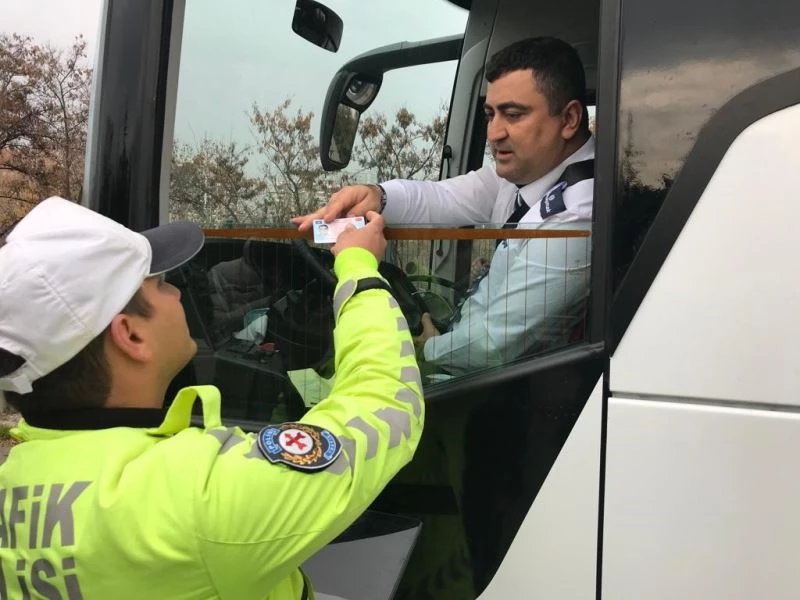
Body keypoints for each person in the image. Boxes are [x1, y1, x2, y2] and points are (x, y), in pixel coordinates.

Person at [0, 197, 424, 599]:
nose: (178, 292)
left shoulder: (13, 484)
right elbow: (385, 406)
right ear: (131, 335)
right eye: (159, 284)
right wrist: (359, 267)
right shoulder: (197, 498)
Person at [294, 37, 595, 376]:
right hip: (466, 352)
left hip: (496, 384)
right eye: (490, 114)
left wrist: (424, 348)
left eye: (513, 115)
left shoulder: (576, 214)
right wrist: (376, 196)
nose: (494, 133)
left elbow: (492, 344)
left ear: (569, 119)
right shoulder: (530, 171)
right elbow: (442, 197)